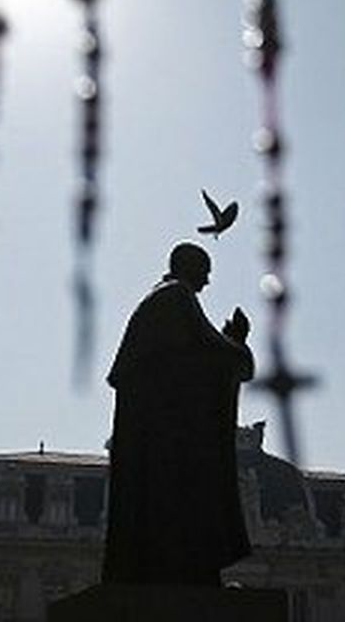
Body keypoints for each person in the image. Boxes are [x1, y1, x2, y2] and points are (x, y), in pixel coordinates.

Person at [102, 242, 255, 586]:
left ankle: (183, 570)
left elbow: (190, 357)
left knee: (172, 500)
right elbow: (209, 350)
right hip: (168, 434)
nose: (209, 280)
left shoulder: (161, 300)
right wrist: (237, 343)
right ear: (189, 267)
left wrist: (226, 346)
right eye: (206, 271)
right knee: (189, 493)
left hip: (156, 431)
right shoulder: (176, 297)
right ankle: (192, 572)